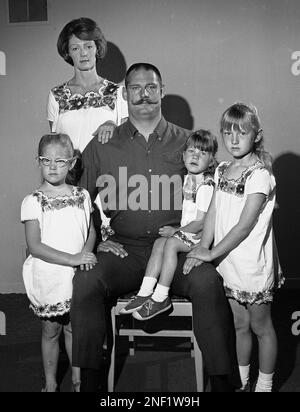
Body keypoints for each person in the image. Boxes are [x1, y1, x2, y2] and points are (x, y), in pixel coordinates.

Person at [71, 63, 240, 392]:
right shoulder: (103, 143)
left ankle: (223, 382)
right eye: (136, 87)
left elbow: (218, 193)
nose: (144, 94)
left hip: (174, 251)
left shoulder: (188, 143)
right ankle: (90, 382)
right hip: (124, 251)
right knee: (87, 278)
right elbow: (77, 198)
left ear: (162, 91)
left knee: (207, 281)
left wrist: (199, 243)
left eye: (151, 87)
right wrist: (94, 242)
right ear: (125, 93)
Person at [184, 103, 284, 392]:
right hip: (227, 262)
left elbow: (244, 225)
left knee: (261, 328)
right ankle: (241, 382)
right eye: (227, 132)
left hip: (252, 264)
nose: (234, 139)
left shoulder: (259, 174)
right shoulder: (223, 169)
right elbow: (214, 211)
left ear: (256, 135)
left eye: (242, 132)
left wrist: (211, 253)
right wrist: (203, 247)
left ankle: (264, 385)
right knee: (239, 326)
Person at [21, 133, 97, 392]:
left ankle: (77, 382)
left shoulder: (82, 195)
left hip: (77, 275)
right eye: (46, 160)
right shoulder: (33, 201)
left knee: (75, 330)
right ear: (38, 162)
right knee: (51, 330)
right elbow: (35, 246)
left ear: (72, 163)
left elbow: (91, 231)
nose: (53, 167)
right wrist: (73, 258)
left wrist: (86, 253)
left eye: (60, 161)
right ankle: (51, 383)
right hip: (50, 274)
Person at [119, 129, 218, 320]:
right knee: (158, 243)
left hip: (200, 238)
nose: (195, 156)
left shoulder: (206, 185)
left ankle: (161, 297)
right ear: (183, 155)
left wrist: (176, 231)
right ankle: (144, 293)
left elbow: (200, 223)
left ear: (212, 161)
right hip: (188, 234)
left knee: (171, 242)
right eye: (191, 151)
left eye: (203, 153)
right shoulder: (189, 179)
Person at [47, 17, 128, 182]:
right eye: (75, 48)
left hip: (107, 180)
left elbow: (128, 141)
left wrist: (113, 126)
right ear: (68, 52)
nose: (83, 53)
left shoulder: (118, 92)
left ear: (97, 48)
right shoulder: (56, 95)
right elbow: (54, 147)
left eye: (88, 46)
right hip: (69, 181)